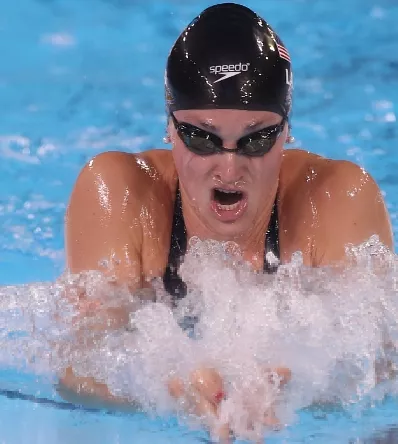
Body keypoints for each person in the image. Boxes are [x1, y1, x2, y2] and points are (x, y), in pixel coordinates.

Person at [58, 2, 394, 441]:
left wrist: (299, 379)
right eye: (202, 137)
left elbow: (384, 363)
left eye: (256, 139)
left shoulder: (336, 198)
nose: (230, 169)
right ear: (170, 126)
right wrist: (169, 384)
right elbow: (80, 362)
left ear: (287, 130)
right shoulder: (120, 194)